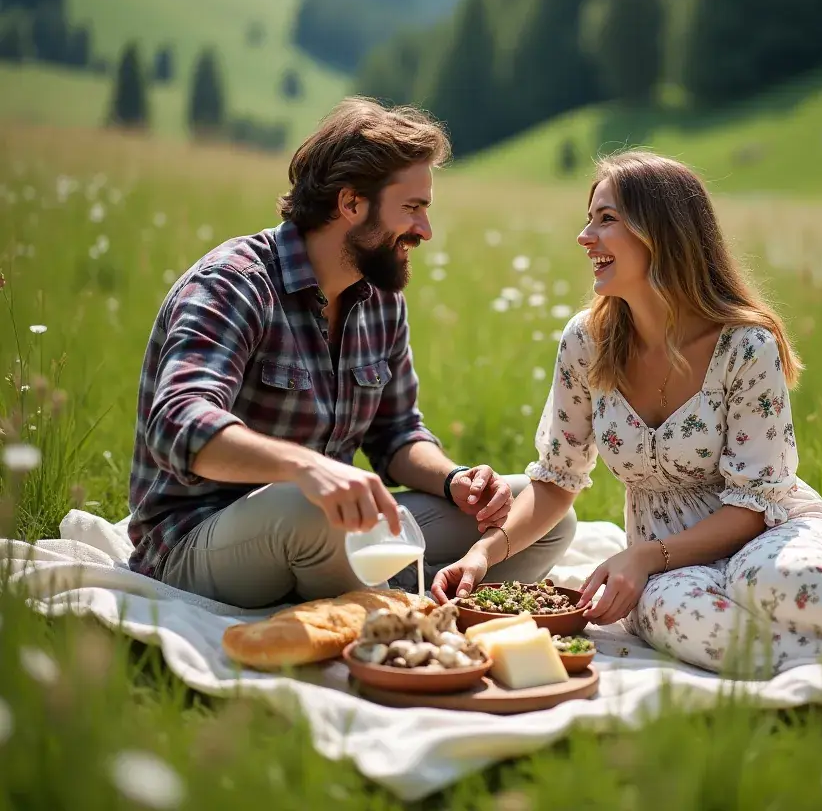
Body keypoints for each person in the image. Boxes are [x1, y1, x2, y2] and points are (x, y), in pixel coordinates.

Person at [432, 151, 822, 677]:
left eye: (605, 219)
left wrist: (641, 556)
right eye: (590, 219)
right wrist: (483, 555)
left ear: (661, 233)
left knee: (776, 581)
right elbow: (556, 481)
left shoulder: (744, 345)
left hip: (774, 532)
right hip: (665, 568)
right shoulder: (587, 342)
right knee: (667, 609)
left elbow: (756, 504)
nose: (585, 236)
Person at [126, 97, 575, 608]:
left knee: (542, 518)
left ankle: (374, 598)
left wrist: (453, 481)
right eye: (412, 208)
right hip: (195, 541)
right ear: (351, 204)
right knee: (309, 508)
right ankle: (384, 609)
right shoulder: (234, 283)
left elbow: (397, 435)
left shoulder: (381, 298)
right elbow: (178, 422)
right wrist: (307, 468)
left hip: (331, 528)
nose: (425, 231)